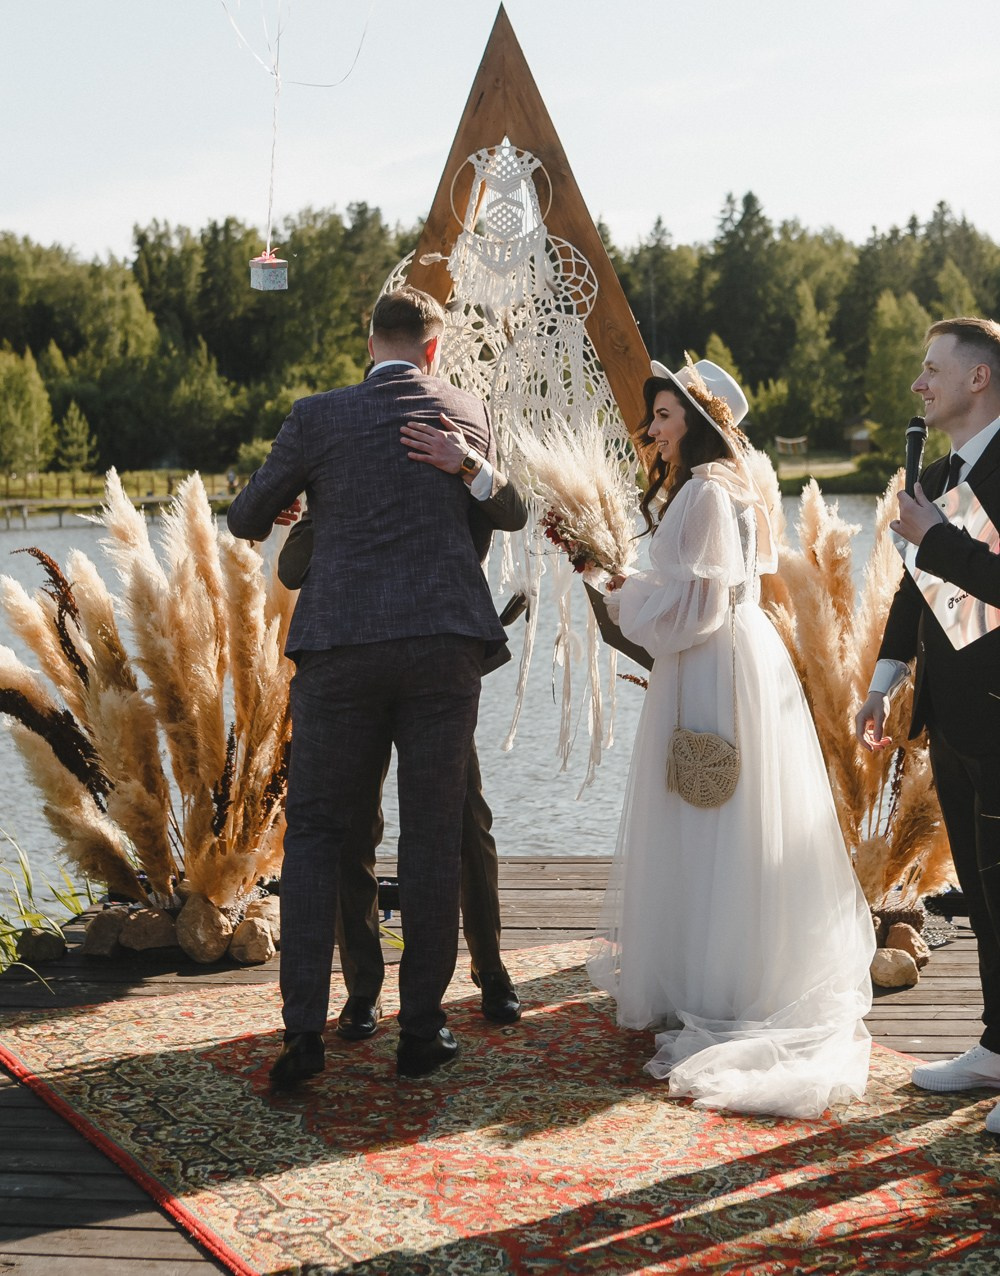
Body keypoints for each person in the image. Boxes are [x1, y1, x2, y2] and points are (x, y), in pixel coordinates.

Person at [228, 286, 509, 1085]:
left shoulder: (317, 416)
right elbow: (479, 528)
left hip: (341, 651)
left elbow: (247, 518)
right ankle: (420, 1035)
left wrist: (305, 504)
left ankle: (302, 1041)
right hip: (442, 648)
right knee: (430, 836)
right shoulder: (466, 409)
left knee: (316, 834)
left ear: (371, 339)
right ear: (431, 346)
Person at [587, 357, 875, 1119]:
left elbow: (700, 606)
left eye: (665, 416)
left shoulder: (710, 494)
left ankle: (723, 985)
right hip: (725, 659)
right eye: (653, 416)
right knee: (715, 811)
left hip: (714, 662)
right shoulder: (718, 488)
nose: (652, 428)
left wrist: (618, 586)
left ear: (700, 421)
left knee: (710, 804)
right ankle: (711, 971)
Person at [275, 450, 528, 1039]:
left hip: (436, 674)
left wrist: (468, 468)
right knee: (352, 832)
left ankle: (490, 970)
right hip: (354, 676)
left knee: (466, 823)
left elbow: (508, 512)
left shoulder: (454, 453)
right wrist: (320, 504)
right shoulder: (337, 472)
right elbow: (292, 567)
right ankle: (364, 988)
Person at [855, 317, 1000, 1136]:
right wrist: (885, 683)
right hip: (957, 718)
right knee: (982, 896)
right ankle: (995, 1047)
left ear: (979, 378)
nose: (919, 383)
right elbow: (919, 588)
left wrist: (936, 537)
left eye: (931, 368)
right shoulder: (942, 472)